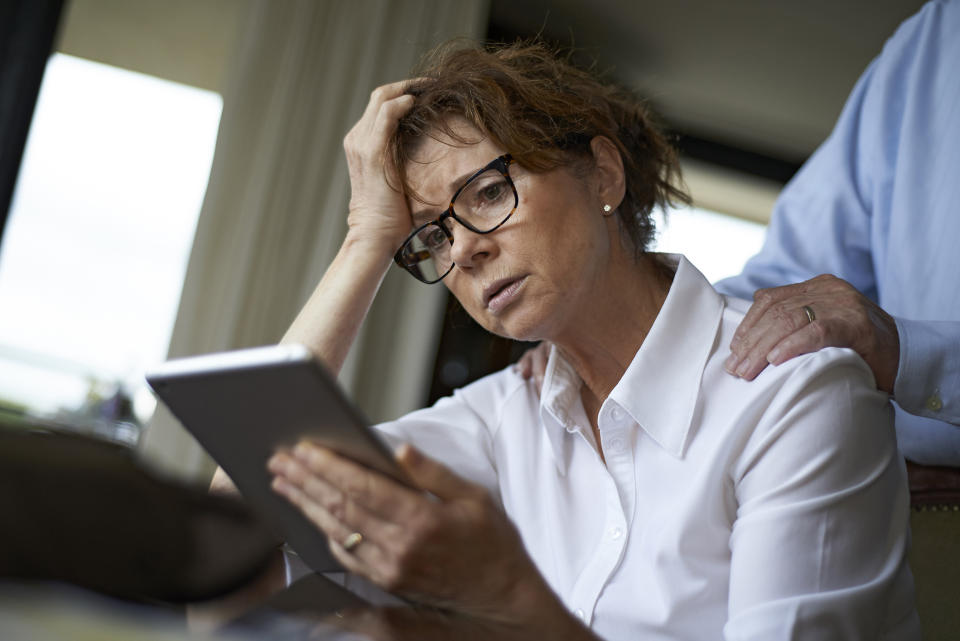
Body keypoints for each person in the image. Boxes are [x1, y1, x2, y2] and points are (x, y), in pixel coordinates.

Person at [261, 42, 918, 639]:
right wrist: (366, 236)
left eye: (488, 193)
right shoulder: (499, 418)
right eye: (434, 235)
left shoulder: (796, 392)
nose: (464, 249)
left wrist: (511, 599)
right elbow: (250, 511)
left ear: (603, 174)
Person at [714, 0, 960, 467]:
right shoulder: (933, 37)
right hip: (907, 508)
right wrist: (617, 331)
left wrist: (906, 352)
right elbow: (784, 284)